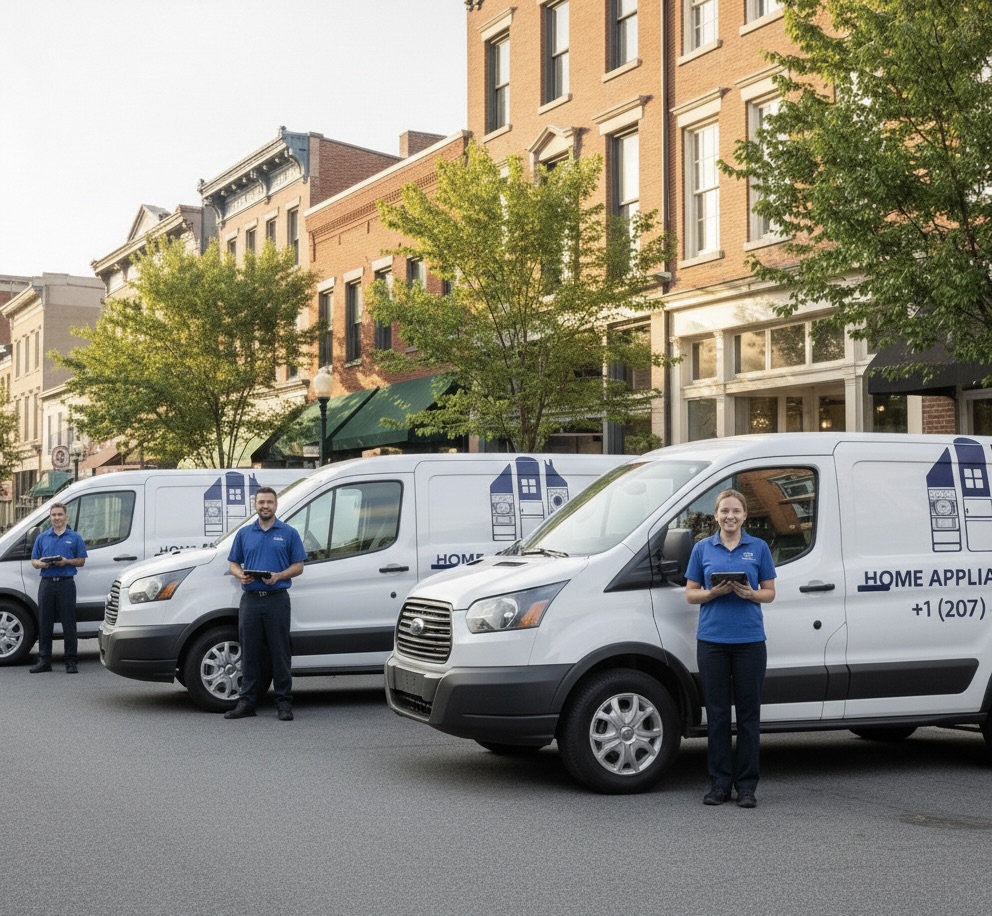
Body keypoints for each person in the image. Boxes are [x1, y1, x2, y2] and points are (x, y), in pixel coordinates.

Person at [685, 488, 776, 809]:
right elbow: (690, 594)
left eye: (736, 511)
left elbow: (770, 592)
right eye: (724, 511)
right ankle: (720, 784)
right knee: (719, 716)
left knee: (749, 717)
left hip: (750, 642)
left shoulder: (759, 548)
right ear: (716, 516)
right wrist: (713, 593)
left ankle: (747, 787)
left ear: (745, 516)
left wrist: (751, 594)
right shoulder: (702, 549)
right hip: (712, 643)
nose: (730, 516)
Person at [225, 486, 306, 721]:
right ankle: (247, 702)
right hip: (250, 601)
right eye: (261, 502)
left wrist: (279, 576)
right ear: (255, 505)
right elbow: (232, 564)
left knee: (280, 653)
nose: (265, 506)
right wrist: (240, 575)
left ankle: (283, 703)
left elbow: (299, 566)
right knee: (249, 653)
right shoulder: (244, 534)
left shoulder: (289, 533)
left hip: (277, 601)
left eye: (269, 502)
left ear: (276, 505)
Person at [29, 502, 88, 674]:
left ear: (66, 516)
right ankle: (44, 660)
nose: (57, 518)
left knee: (68, 623)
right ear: (50, 517)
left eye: (60, 514)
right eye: (53, 515)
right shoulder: (42, 537)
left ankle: (71, 661)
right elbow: (34, 561)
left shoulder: (75, 537)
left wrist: (66, 561)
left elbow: (82, 561)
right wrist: (41, 564)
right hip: (46, 584)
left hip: (66, 583)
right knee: (44, 623)